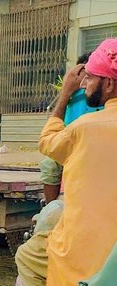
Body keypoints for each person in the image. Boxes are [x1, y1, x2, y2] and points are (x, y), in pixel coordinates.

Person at [34, 38, 117, 286]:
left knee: (32, 257)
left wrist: (65, 94)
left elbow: (47, 143)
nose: (85, 83)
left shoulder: (86, 127)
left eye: (90, 78)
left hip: (86, 248)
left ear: (108, 83)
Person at [39, 51, 103, 203]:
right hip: (71, 138)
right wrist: (66, 92)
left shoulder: (102, 90)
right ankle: (50, 205)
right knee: (50, 164)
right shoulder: (73, 92)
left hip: (95, 139)